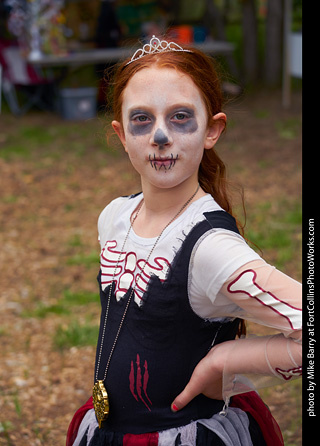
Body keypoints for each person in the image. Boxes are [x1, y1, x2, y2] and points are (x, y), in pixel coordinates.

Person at [66, 36, 302, 446]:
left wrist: (226, 361)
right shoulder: (115, 217)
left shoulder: (209, 247)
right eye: (142, 119)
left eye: (180, 117)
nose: (160, 136)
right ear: (121, 135)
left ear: (212, 130)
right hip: (107, 429)